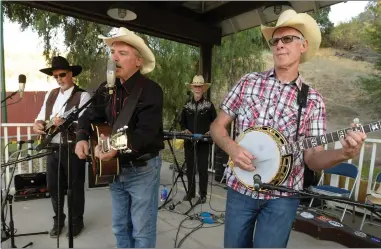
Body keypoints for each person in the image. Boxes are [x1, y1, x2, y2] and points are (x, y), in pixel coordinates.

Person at [210, 9, 367, 248]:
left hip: (281, 198)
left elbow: (312, 158)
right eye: (275, 40)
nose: (279, 45)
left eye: (287, 39)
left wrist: (343, 154)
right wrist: (232, 148)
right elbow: (217, 126)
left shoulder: (313, 100)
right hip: (240, 189)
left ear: (303, 45)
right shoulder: (248, 82)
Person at [74, 27, 164, 248]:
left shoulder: (151, 90)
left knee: (142, 231)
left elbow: (146, 135)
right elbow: (88, 114)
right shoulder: (106, 88)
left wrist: (114, 148)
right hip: (115, 169)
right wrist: (82, 137)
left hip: (142, 169)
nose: (114, 57)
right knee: (120, 227)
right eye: (113, 52)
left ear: (138, 61)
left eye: (122, 53)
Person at [33, 56, 91, 238]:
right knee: (53, 186)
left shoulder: (83, 96)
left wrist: (66, 122)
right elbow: (41, 116)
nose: (59, 79)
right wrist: (38, 124)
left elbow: (85, 123)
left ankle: (76, 222)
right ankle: (58, 221)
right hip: (52, 147)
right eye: (55, 76)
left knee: (75, 186)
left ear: (71, 74)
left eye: (62, 75)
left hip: (72, 148)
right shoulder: (50, 95)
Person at [179, 75, 217, 204]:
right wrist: (185, 129)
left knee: (202, 169)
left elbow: (215, 122)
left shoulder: (209, 105)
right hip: (189, 141)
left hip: (203, 142)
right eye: (195, 86)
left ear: (203, 88)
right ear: (192, 88)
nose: (197, 89)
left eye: (200, 86)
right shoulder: (186, 105)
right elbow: (181, 122)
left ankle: (203, 194)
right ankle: (190, 193)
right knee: (190, 168)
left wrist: (210, 131)